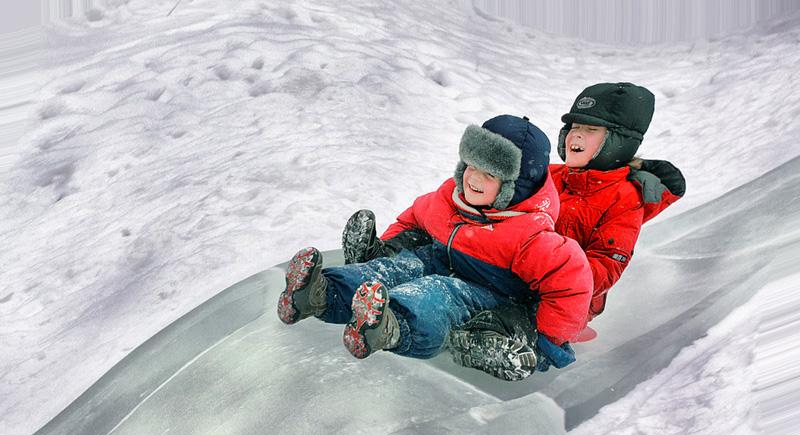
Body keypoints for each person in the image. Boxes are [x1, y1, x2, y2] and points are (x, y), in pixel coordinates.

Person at [341, 82, 686, 379]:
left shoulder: (626, 199)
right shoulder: (552, 173)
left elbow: (605, 267)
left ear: (619, 142)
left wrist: (546, 271)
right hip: (507, 268)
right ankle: (385, 257)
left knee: (507, 315)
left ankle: (501, 347)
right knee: (444, 242)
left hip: (554, 297)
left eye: (591, 131)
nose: (576, 136)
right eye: (574, 126)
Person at [277, 115, 592, 377]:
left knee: (437, 293)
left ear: (515, 187)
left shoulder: (531, 235)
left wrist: (547, 339)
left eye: (490, 174)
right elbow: (416, 216)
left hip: (492, 293)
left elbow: (572, 282)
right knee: (402, 267)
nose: (474, 179)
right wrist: (388, 248)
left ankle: (388, 325)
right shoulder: (451, 198)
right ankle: (320, 294)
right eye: (471, 165)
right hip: (443, 258)